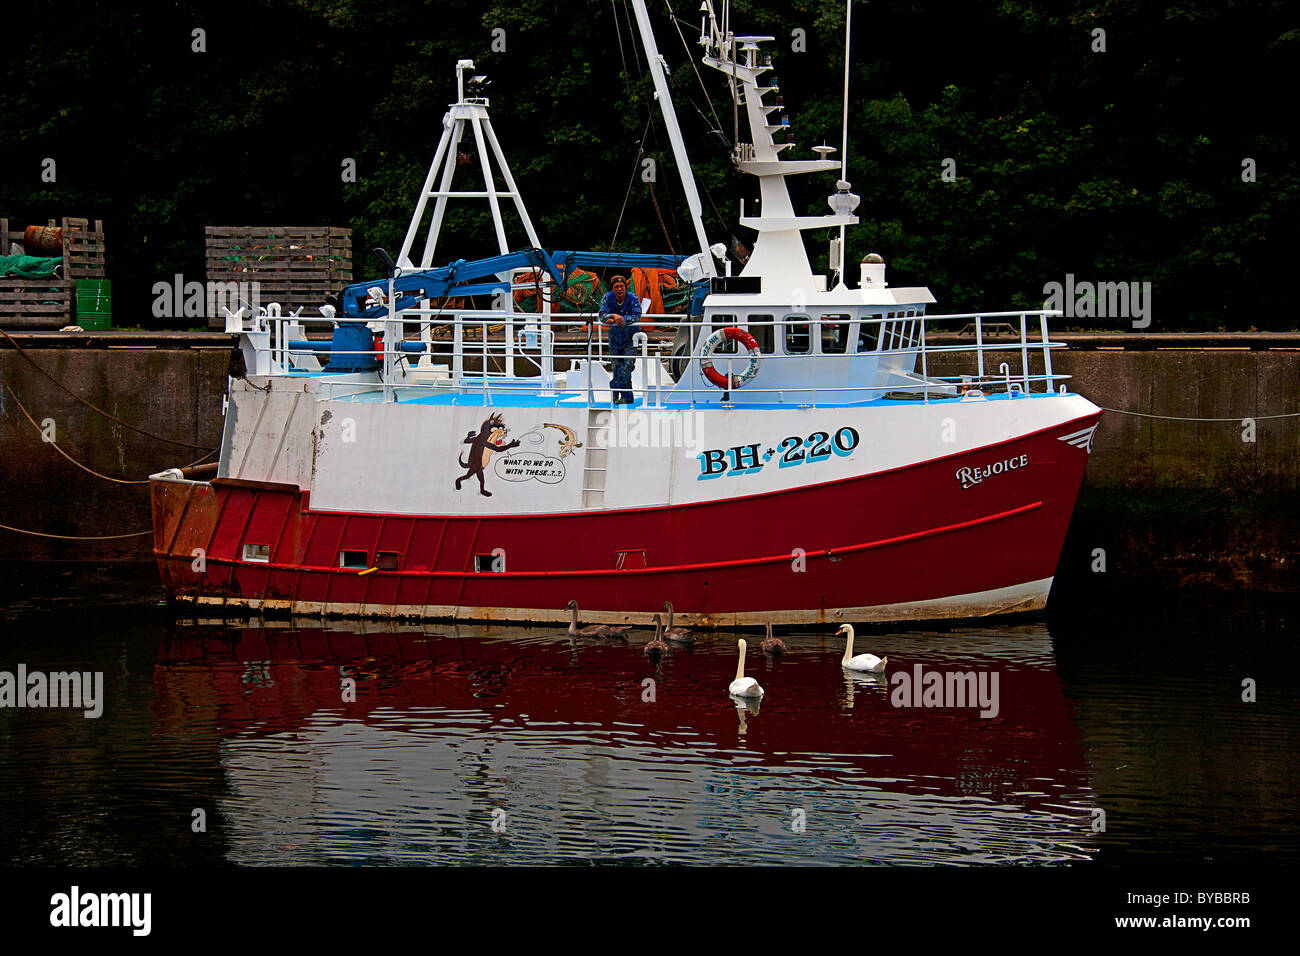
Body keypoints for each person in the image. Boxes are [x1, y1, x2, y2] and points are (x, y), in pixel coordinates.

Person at [598, 274, 642, 404]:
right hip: (615, 337)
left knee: (627, 366)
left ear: (625, 287)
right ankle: (622, 395)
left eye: (621, 286)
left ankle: (618, 389)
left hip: (631, 336)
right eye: (616, 286)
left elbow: (637, 315)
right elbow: (602, 315)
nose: (619, 289)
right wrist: (613, 316)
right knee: (616, 366)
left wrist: (622, 319)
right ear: (612, 288)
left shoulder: (632, 298)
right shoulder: (607, 298)